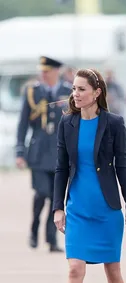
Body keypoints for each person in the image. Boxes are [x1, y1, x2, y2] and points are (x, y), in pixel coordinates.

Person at [53, 68, 126, 283]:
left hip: (107, 209)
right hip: (77, 208)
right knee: (75, 269)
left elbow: (122, 169)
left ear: (97, 93)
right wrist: (57, 208)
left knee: (112, 270)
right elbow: (62, 168)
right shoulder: (67, 123)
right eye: (74, 89)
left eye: (81, 90)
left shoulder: (114, 123)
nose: (75, 94)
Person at [16, 56, 72, 252]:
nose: (43, 74)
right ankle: (34, 228)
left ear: (56, 71)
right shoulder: (33, 91)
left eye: (47, 71)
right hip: (39, 152)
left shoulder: (68, 91)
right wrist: (20, 151)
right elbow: (23, 122)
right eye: (42, 71)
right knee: (42, 192)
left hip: (60, 152)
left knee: (56, 198)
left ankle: (51, 239)